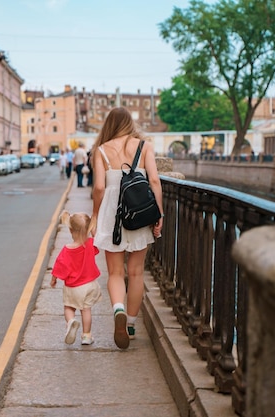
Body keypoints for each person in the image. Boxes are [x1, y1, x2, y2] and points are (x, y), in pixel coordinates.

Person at [87, 106, 163, 349]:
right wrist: (159, 212)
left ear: (109, 125)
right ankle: (130, 324)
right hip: (139, 210)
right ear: (130, 123)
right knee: (137, 271)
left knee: (116, 273)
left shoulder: (101, 150)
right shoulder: (144, 146)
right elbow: (154, 180)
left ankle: (118, 309)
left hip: (113, 214)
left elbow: (99, 187)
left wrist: (96, 215)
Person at [50, 211, 102, 345]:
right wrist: (93, 232)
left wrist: (54, 278)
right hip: (89, 285)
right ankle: (86, 336)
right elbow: (98, 243)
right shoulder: (90, 244)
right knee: (86, 310)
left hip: (73, 287)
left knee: (69, 307)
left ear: (70, 230)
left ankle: (71, 322)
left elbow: (60, 265)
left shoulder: (67, 249)